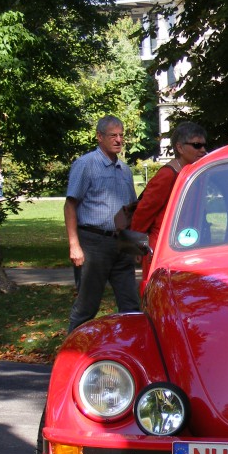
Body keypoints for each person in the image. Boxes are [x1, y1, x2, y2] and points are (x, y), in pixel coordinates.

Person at [64, 115, 140, 333]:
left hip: (122, 245)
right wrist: (74, 245)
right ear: (99, 137)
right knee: (87, 306)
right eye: (112, 136)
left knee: (131, 306)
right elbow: (70, 206)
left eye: (121, 136)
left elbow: (130, 211)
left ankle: (132, 353)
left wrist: (135, 246)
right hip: (93, 243)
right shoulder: (86, 165)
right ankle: (71, 354)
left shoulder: (125, 170)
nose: (118, 140)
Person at [131, 121, 207, 283]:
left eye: (203, 145)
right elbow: (143, 212)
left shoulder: (191, 172)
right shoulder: (167, 175)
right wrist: (137, 246)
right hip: (161, 247)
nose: (202, 150)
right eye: (196, 145)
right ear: (179, 147)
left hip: (183, 244)